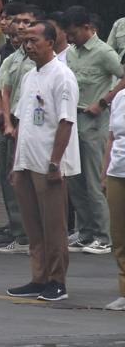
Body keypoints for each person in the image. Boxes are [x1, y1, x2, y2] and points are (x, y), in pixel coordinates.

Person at [5, 21, 80, 302]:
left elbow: (66, 122)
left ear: (51, 42)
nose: (28, 46)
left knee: (53, 225)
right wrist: (16, 163)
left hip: (49, 162)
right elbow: (23, 122)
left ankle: (57, 281)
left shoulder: (62, 76)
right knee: (33, 225)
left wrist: (55, 163)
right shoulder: (29, 76)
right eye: (26, 42)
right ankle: (39, 277)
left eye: (34, 40)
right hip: (26, 159)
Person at [64, 6, 119, 254]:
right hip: (73, 119)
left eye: (74, 32)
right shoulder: (72, 53)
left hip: (94, 120)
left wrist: (104, 101)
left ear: (87, 27)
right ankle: (85, 232)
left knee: (95, 180)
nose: (70, 37)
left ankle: (104, 235)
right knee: (75, 179)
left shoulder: (103, 52)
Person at [0, 4, 42, 253]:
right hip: (13, 125)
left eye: (27, 21)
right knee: (9, 178)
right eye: (19, 21)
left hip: (35, 125)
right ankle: (19, 232)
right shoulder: (13, 57)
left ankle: (31, 235)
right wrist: (6, 120)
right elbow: (4, 89)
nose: (21, 26)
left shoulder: (43, 57)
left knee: (33, 181)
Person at [102, 82, 125, 310]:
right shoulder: (119, 98)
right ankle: (124, 291)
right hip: (118, 171)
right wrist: (104, 172)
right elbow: (111, 137)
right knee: (119, 236)